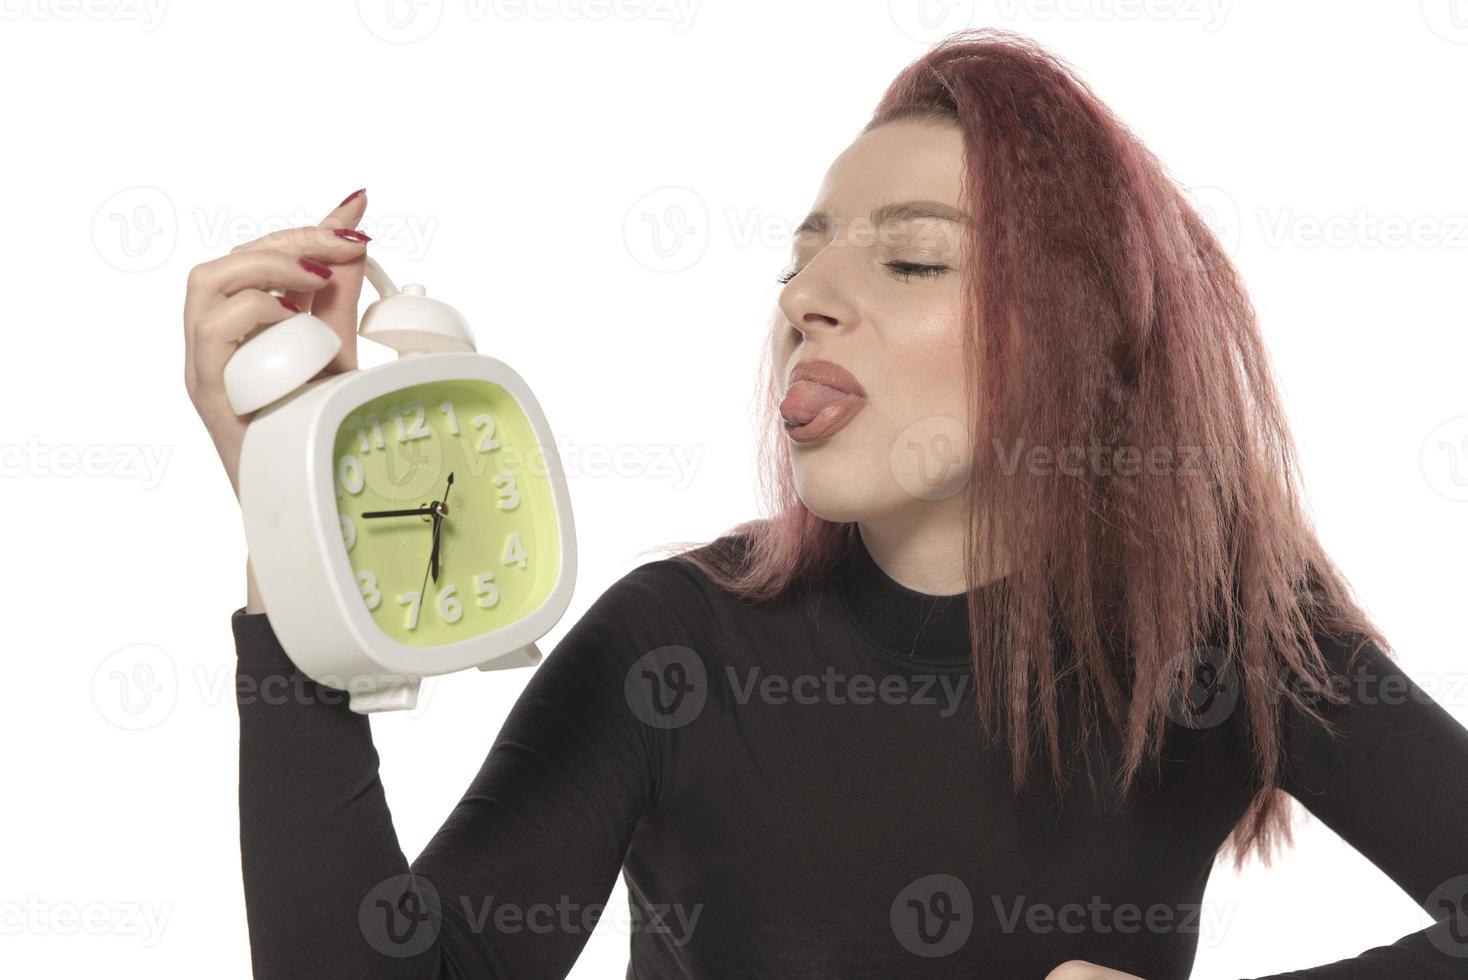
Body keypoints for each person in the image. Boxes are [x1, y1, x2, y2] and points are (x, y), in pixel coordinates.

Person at [183, 28, 1468, 980]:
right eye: (800, 262)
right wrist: (292, 527)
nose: (807, 301)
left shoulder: (1224, 633)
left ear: (1085, 329)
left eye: (908, 256)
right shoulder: (673, 643)